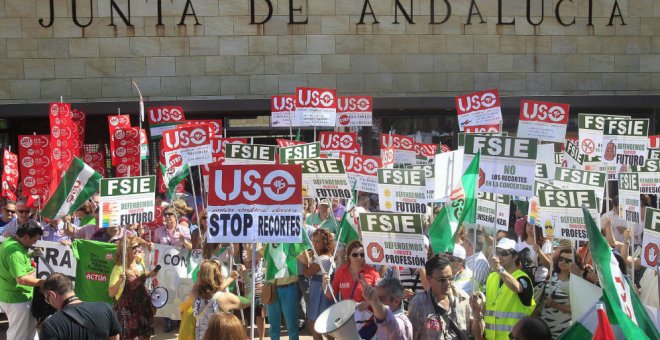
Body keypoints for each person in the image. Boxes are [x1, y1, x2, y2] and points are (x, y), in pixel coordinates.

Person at [474, 238, 536, 340]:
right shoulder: (492, 277)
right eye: (498, 252)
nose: (499, 256)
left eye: (504, 253)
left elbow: (517, 287)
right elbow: (485, 306)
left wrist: (499, 269)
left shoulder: (523, 277)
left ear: (515, 256)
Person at [407, 254, 478, 340]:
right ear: (429, 279)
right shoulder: (418, 303)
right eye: (442, 280)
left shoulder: (463, 298)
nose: (448, 283)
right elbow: (411, 336)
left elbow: (477, 334)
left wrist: (477, 314)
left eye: (451, 278)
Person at [39, 273, 122, 339]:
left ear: (52, 295)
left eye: (47, 299)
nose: (48, 303)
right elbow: (115, 337)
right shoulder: (106, 308)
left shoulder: (51, 325)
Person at [0, 220, 45, 339]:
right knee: (18, 334)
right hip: (17, 299)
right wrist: (44, 283)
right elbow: (22, 279)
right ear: (25, 237)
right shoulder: (14, 252)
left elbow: (16, 263)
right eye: (34, 240)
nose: (35, 242)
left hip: (15, 296)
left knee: (28, 330)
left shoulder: (11, 242)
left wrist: (31, 255)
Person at [108, 235, 159, 340]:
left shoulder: (139, 261)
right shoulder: (119, 268)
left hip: (142, 304)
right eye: (134, 247)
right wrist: (120, 281)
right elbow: (111, 293)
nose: (137, 249)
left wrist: (151, 274)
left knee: (146, 336)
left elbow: (141, 278)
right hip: (127, 309)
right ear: (125, 251)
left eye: (138, 246)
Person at [262, 241, 306, 340]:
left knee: (292, 326)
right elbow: (255, 256)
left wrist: (301, 242)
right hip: (272, 288)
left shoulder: (292, 242)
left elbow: (305, 260)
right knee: (274, 327)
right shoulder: (268, 242)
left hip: (288, 287)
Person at [194, 260, 247, 340]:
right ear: (218, 276)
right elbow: (249, 301)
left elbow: (214, 291)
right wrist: (246, 275)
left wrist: (231, 278)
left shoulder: (196, 295)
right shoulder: (224, 298)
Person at [301, 228, 335, 340]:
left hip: (321, 291)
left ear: (325, 243)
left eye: (318, 241)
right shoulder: (327, 256)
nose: (314, 243)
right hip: (319, 290)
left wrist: (304, 259)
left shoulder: (323, 258)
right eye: (313, 240)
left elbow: (306, 273)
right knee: (323, 324)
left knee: (317, 324)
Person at [540, 249, 573, 337]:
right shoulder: (552, 274)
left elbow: (575, 309)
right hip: (545, 326)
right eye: (561, 258)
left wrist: (556, 305)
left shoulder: (574, 282)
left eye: (567, 260)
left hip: (562, 328)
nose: (563, 262)